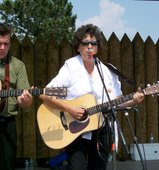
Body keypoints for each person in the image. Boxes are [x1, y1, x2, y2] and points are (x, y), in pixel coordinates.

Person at [39, 24, 144, 170]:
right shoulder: (71, 66)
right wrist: (71, 109)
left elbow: (116, 103)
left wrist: (134, 100)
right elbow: (45, 93)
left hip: (103, 130)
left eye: (93, 43)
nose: (89, 47)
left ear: (98, 47)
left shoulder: (108, 70)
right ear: (78, 47)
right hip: (76, 130)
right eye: (85, 43)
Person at [0, 23, 33, 170]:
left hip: (6, 123)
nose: (2, 48)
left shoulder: (17, 66)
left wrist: (25, 101)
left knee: (7, 164)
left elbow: (22, 100)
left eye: (5, 44)